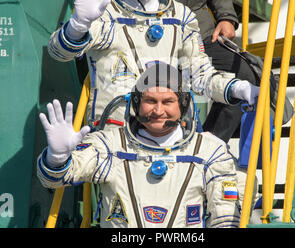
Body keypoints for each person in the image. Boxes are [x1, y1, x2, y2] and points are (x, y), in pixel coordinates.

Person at [48, 0, 258, 131]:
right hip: (115, 139)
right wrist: (78, 26)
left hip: (170, 142)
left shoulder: (180, 18)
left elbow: (199, 75)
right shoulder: (105, 14)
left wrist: (238, 89)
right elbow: (59, 53)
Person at [37, 63, 241, 228]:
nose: (158, 110)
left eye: (168, 101)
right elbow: (54, 180)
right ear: (136, 103)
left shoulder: (209, 152)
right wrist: (57, 157)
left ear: (184, 104)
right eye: (150, 101)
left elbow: (225, 219)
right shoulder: (109, 146)